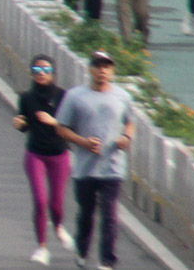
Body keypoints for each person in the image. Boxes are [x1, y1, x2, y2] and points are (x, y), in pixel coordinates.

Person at [51, 51, 135, 270]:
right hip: (85, 168)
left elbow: (130, 122)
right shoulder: (75, 96)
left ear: (112, 70)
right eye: (98, 66)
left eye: (106, 67)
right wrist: (82, 142)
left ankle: (107, 260)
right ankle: (81, 249)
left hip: (113, 166)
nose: (102, 71)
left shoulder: (122, 96)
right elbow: (61, 127)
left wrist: (126, 137)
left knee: (110, 214)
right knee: (86, 214)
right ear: (90, 69)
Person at [11, 55, 75, 266]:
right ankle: (41, 247)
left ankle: (57, 226)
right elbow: (25, 126)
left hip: (58, 154)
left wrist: (53, 121)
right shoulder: (27, 98)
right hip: (35, 154)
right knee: (40, 201)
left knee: (56, 203)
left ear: (53, 74)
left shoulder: (63, 96)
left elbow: (71, 128)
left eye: (46, 70)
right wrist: (19, 123)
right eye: (36, 69)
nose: (41, 73)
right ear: (31, 73)